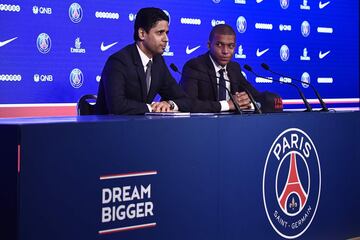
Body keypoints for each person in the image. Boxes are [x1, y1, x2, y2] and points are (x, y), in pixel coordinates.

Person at [95, 7, 190, 115]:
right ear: (142, 34)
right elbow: (117, 106)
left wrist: (170, 104)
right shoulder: (118, 62)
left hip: (140, 127)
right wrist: (152, 108)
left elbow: (185, 100)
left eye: (166, 33)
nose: (166, 39)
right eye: (160, 33)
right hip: (111, 128)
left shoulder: (158, 62)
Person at [179, 24, 282, 113]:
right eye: (219, 45)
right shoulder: (195, 66)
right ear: (209, 45)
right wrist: (227, 105)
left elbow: (254, 95)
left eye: (230, 46)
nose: (225, 51)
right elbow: (189, 103)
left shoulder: (234, 68)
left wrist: (265, 101)